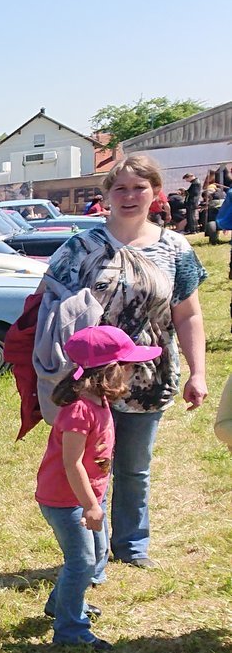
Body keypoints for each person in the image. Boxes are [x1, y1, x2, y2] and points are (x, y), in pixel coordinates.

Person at [31, 155, 209, 570]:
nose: (129, 196)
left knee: (134, 468)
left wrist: (198, 372)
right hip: (88, 381)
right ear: (107, 194)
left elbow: (188, 315)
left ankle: (132, 545)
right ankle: (91, 556)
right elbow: (46, 303)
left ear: (155, 192)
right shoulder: (81, 247)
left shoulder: (175, 249)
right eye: (120, 188)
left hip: (149, 376)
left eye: (139, 188)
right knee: (89, 466)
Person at [36, 325, 161, 649]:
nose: (134, 372)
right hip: (66, 500)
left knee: (94, 555)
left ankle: (63, 603)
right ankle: (70, 631)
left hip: (87, 497)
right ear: (110, 371)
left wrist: (95, 501)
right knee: (82, 562)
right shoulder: (79, 410)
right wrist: (91, 506)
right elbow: (72, 463)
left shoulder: (100, 401)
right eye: (130, 366)